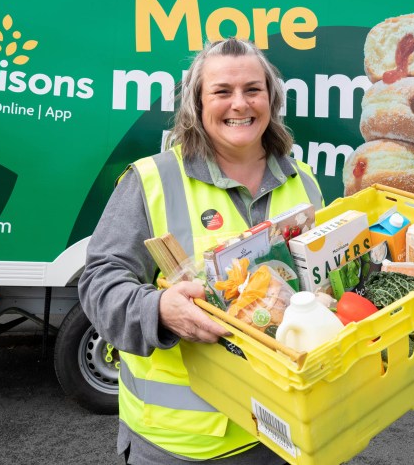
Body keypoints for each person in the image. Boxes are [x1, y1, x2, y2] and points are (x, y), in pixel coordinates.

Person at [79, 38, 323, 465]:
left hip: (284, 434)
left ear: (271, 99)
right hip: (180, 446)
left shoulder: (303, 181)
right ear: (197, 103)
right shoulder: (151, 180)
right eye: (222, 92)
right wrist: (158, 310)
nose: (240, 104)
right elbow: (100, 283)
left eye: (253, 89)